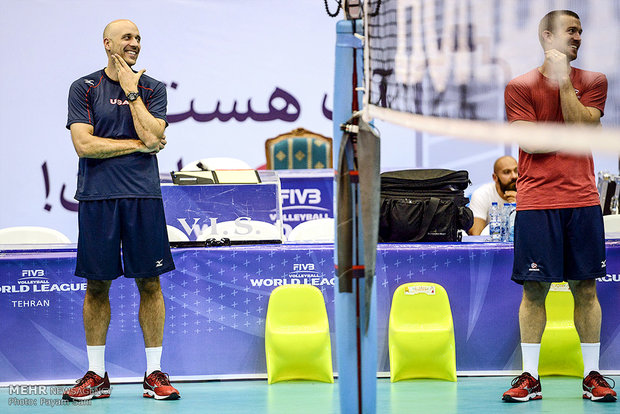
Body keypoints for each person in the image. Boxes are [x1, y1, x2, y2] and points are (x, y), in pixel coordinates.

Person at [63, 19, 180, 401]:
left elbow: (155, 135)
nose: (135, 43)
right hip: (97, 198)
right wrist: (136, 146)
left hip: (143, 198)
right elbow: (84, 145)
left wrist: (132, 93)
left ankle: (153, 374)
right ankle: (96, 375)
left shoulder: (152, 88)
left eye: (139, 38)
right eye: (127, 37)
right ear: (107, 43)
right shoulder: (83, 88)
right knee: (97, 285)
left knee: (151, 282)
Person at [502, 10, 615, 403]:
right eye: (571, 30)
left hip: (583, 201)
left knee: (586, 288)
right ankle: (529, 378)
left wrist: (565, 82)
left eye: (581, 31)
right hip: (537, 204)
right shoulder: (519, 86)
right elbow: (531, 144)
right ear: (547, 36)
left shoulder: (594, 81)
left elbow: (583, 129)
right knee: (535, 291)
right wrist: (576, 132)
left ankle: (592, 377)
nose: (578, 36)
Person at [468, 156, 518, 235]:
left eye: (516, 171)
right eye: (507, 172)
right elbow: (475, 235)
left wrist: (518, 206)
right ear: (495, 177)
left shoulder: (528, 194)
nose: (514, 176)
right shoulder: (482, 194)